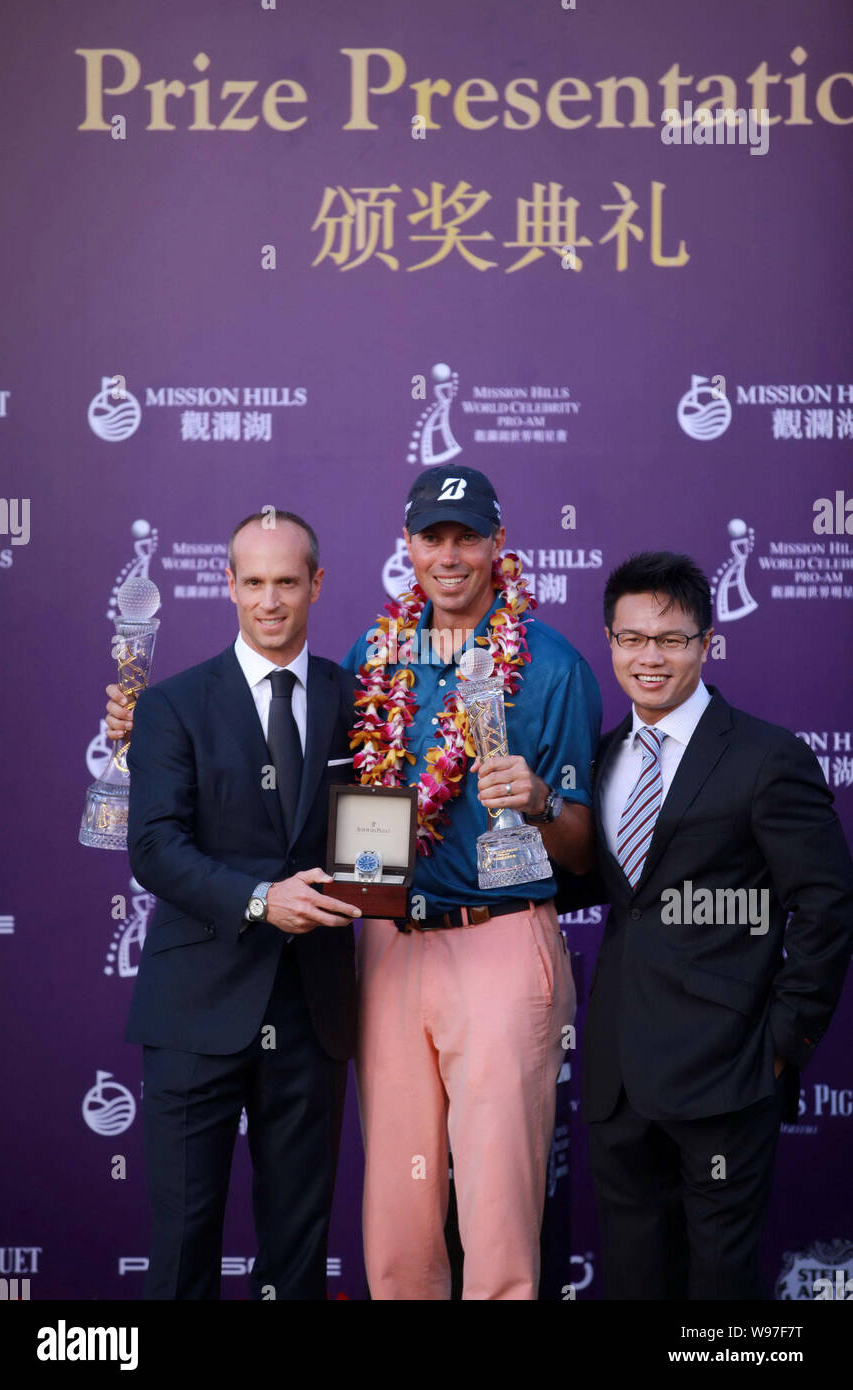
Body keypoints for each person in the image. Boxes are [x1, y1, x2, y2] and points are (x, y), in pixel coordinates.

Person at [341, 465, 602, 1299]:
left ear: (498, 544)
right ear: (408, 546)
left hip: (497, 937)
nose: (448, 555)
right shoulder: (371, 654)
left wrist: (539, 799)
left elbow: (585, 849)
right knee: (396, 1216)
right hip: (389, 942)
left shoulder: (552, 665)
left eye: (467, 537)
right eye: (432, 537)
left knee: (497, 1212)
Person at [580, 550, 853, 1300]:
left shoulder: (768, 757)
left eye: (671, 639)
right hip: (618, 1079)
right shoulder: (603, 757)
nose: (650, 657)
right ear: (609, 642)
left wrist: (783, 1042)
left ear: (706, 643)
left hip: (727, 1076)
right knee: (634, 1281)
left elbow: (828, 902)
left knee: (720, 1293)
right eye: (632, 638)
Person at [105, 510, 361, 1300]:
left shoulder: (360, 700)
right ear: (229, 586)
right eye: (254, 582)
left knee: (298, 1244)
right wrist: (258, 899)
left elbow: (379, 829)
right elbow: (153, 847)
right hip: (195, 1009)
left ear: (316, 584)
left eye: (287, 581)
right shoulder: (172, 704)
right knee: (183, 1245)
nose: (271, 600)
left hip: (312, 1008)